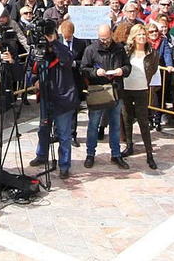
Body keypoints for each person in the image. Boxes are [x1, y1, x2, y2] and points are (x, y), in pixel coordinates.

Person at [29, 19, 81, 179]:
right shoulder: (39, 51)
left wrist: (54, 42)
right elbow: (31, 70)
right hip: (46, 97)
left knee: (64, 134)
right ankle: (41, 155)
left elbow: (67, 60)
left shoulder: (62, 49)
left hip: (63, 97)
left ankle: (64, 165)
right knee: (43, 129)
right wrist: (34, 80)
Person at [78, 24, 128, 171]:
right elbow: (83, 69)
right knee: (93, 124)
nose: (105, 42)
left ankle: (116, 154)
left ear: (111, 34)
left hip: (115, 90)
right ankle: (90, 154)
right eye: (102, 39)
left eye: (107, 39)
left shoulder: (119, 49)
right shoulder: (91, 49)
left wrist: (121, 70)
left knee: (115, 125)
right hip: (98, 91)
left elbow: (128, 67)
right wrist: (95, 72)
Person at [119, 29, 159, 169]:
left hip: (142, 89)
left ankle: (149, 153)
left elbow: (153, 69)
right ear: (134, 37)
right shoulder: (126, 51)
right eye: (139, 34)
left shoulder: (152, 53)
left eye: (144, 34)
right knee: (127, 118)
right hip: (126, 87)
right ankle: (129, 145)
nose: (142, 37)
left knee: (143, 121)